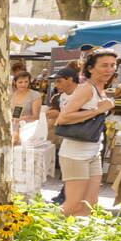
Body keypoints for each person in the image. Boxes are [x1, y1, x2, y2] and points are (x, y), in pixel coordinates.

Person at [55, 47, 118, 217]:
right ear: (90, 68)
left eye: (113, 65)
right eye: (104, 65)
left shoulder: (100, 89)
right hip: (75, 153)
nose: (110, 69)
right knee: (73, 204)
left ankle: (75, 240)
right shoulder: (86, 89)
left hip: (93, 152)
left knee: (89, 203)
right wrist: (98, 110)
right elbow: (63, 118)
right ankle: (39, 235)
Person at [45, 65, 79, 205]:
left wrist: (60, 115)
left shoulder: (81, 94)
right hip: (67, 136)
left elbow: (76, 116)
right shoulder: (58, 97)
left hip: (81, 137)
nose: (56, 85)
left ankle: (68, 197)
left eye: (59, 81)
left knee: (76, 170)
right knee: (68, 168)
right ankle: (65, 194)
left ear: (70, 80)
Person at [9, 70, 41, 142]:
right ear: (15, 83)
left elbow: (36, 117)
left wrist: (21, 118)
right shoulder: (11, 95)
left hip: (27, 129)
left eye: (26, 82)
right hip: (12, 128)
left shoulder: (35, 95)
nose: (23, 84)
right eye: (20, 82)